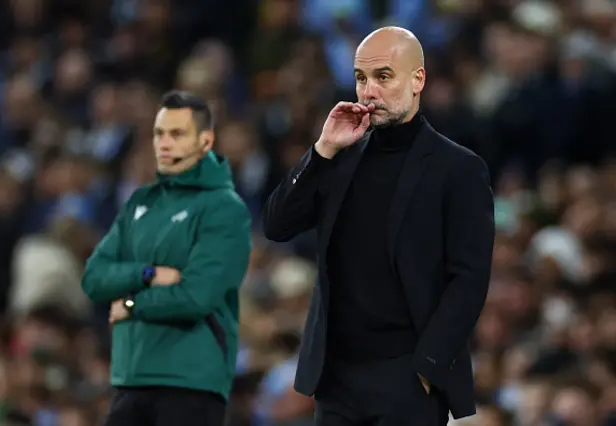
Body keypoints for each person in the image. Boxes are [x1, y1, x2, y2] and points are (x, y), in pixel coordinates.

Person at [262, 27, 495, 426]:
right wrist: (321, 151)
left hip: (406, 376)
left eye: (383, 77)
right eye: (360, 78)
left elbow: (469, 278)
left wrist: (428, 366)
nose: (368, 91)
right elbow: (277, 225)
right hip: (336, 377)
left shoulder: (458, 168)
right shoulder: (340, 156)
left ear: (417, 79)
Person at [81, 91, 252, 426]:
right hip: (132, 376)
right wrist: (147, 273)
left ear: (205, 141)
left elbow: (196, 297)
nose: (164, 143)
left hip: (190, 381)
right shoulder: (139, 203)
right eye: (159, 134)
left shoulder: (224, 209)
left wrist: (130, 305)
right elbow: (94, 278)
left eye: (177, 134)